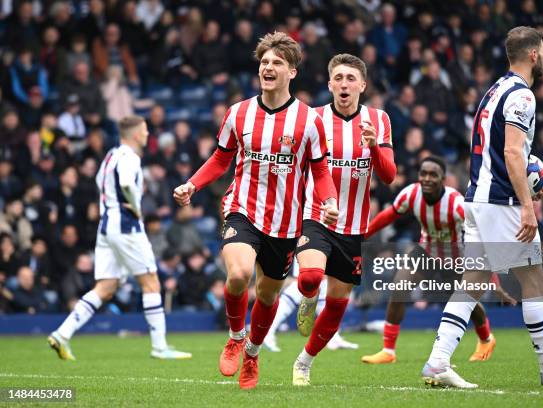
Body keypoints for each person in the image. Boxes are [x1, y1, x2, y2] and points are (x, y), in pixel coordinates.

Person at [421, 26, 543, 388]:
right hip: (500, 202)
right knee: (534, 278)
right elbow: (512, 152)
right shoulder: (522, 96)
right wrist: (527, 205)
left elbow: (504, 152)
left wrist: (527, 184)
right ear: (533, 54)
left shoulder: (494, 90)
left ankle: (438, 362)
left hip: (478, 198)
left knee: (472, 281)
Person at [173, 32, 338, 390]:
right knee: (238, 275)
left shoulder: (310, 121)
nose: (268, 67)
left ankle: (252, 352)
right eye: (264, 61)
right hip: (242, 208)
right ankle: (235, 335)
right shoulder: (239, 113)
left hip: (285, 221)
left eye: (277, 62)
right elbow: (220, 158)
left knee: (267, 294)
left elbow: (321, 170)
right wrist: (192, 184)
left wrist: (329, 202)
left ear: (291, 72)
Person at [47, 116, 191, 361]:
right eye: (145, 131)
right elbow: (125, 183)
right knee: (151, 282)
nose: (147, 135)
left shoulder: (111, 155)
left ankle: (62, 334)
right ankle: (160, 346)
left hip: (107, 224)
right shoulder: (130, 157)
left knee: (106, 287)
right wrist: (136, 206)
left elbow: (98, 180)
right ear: (136, 134)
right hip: (125, 224)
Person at [291, 54, 396, 386]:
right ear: (329, 84)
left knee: (337, 306)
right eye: (338, 77)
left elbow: (389, 175)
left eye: (351, 78)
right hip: (316, 216)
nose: (344, 84)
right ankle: (308, 298)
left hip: (353, 226)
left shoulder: (379, 120)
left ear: (362, 85)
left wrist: (374, 147)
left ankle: (304, 362)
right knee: (309, 278)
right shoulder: (314, 119)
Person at [361, 157, 516, 365]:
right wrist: (363, 234)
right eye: (423, 173)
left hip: (455, 257)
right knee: (399, 287)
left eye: (433, 175)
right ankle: (388, 350)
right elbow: (389, 215)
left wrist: (495, 284)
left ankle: (486, 339)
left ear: (443, 179)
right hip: (425, 252)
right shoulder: (411, 193)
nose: (427, 179)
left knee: (466, 301)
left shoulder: (456, 204)